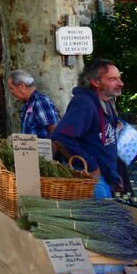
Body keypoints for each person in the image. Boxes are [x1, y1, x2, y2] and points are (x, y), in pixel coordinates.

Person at [51, 59, 124, 199]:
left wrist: (114, 175)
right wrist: (91, 166)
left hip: (104, 179)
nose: (120, 83)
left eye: (119, 78)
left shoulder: (105, 101)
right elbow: (61, 137)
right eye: (112, 79)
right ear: (95, 82)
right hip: (92, 181)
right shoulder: (84, 103)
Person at [7, 69, 60, 139]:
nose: (11, 92)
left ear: (22, 86)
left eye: (11, 88)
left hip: (43, 146)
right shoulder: (28, 103)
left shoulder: (39, 102)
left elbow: (55, 130)